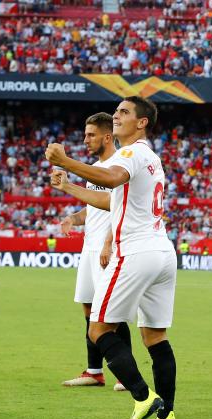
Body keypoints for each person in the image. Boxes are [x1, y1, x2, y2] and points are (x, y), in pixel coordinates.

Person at [46, 96, 179, 419]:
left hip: (134, 252)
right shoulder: (151, 158)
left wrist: (66, 161)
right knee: (155, 336)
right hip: (162, 252)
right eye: (117, 112)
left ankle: (143, 397)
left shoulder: (130, 153)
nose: (117, 116)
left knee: (99, 328)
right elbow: (109, 200)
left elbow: (111, 179)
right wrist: (70, 186)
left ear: (142, 122)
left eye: (124, 112)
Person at [58, 112, 132, 391]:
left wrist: (108, 242)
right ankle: (94, 371)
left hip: (108, 248)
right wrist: (73, 219)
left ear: (107, 136)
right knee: (89, 309)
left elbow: (120, 206)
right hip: (89, 248)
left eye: (91, 135)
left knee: (112, 312)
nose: (85, 139)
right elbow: (95, 206)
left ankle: (126, 374)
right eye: (85, 134)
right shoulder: (93, 168)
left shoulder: (120, 166)